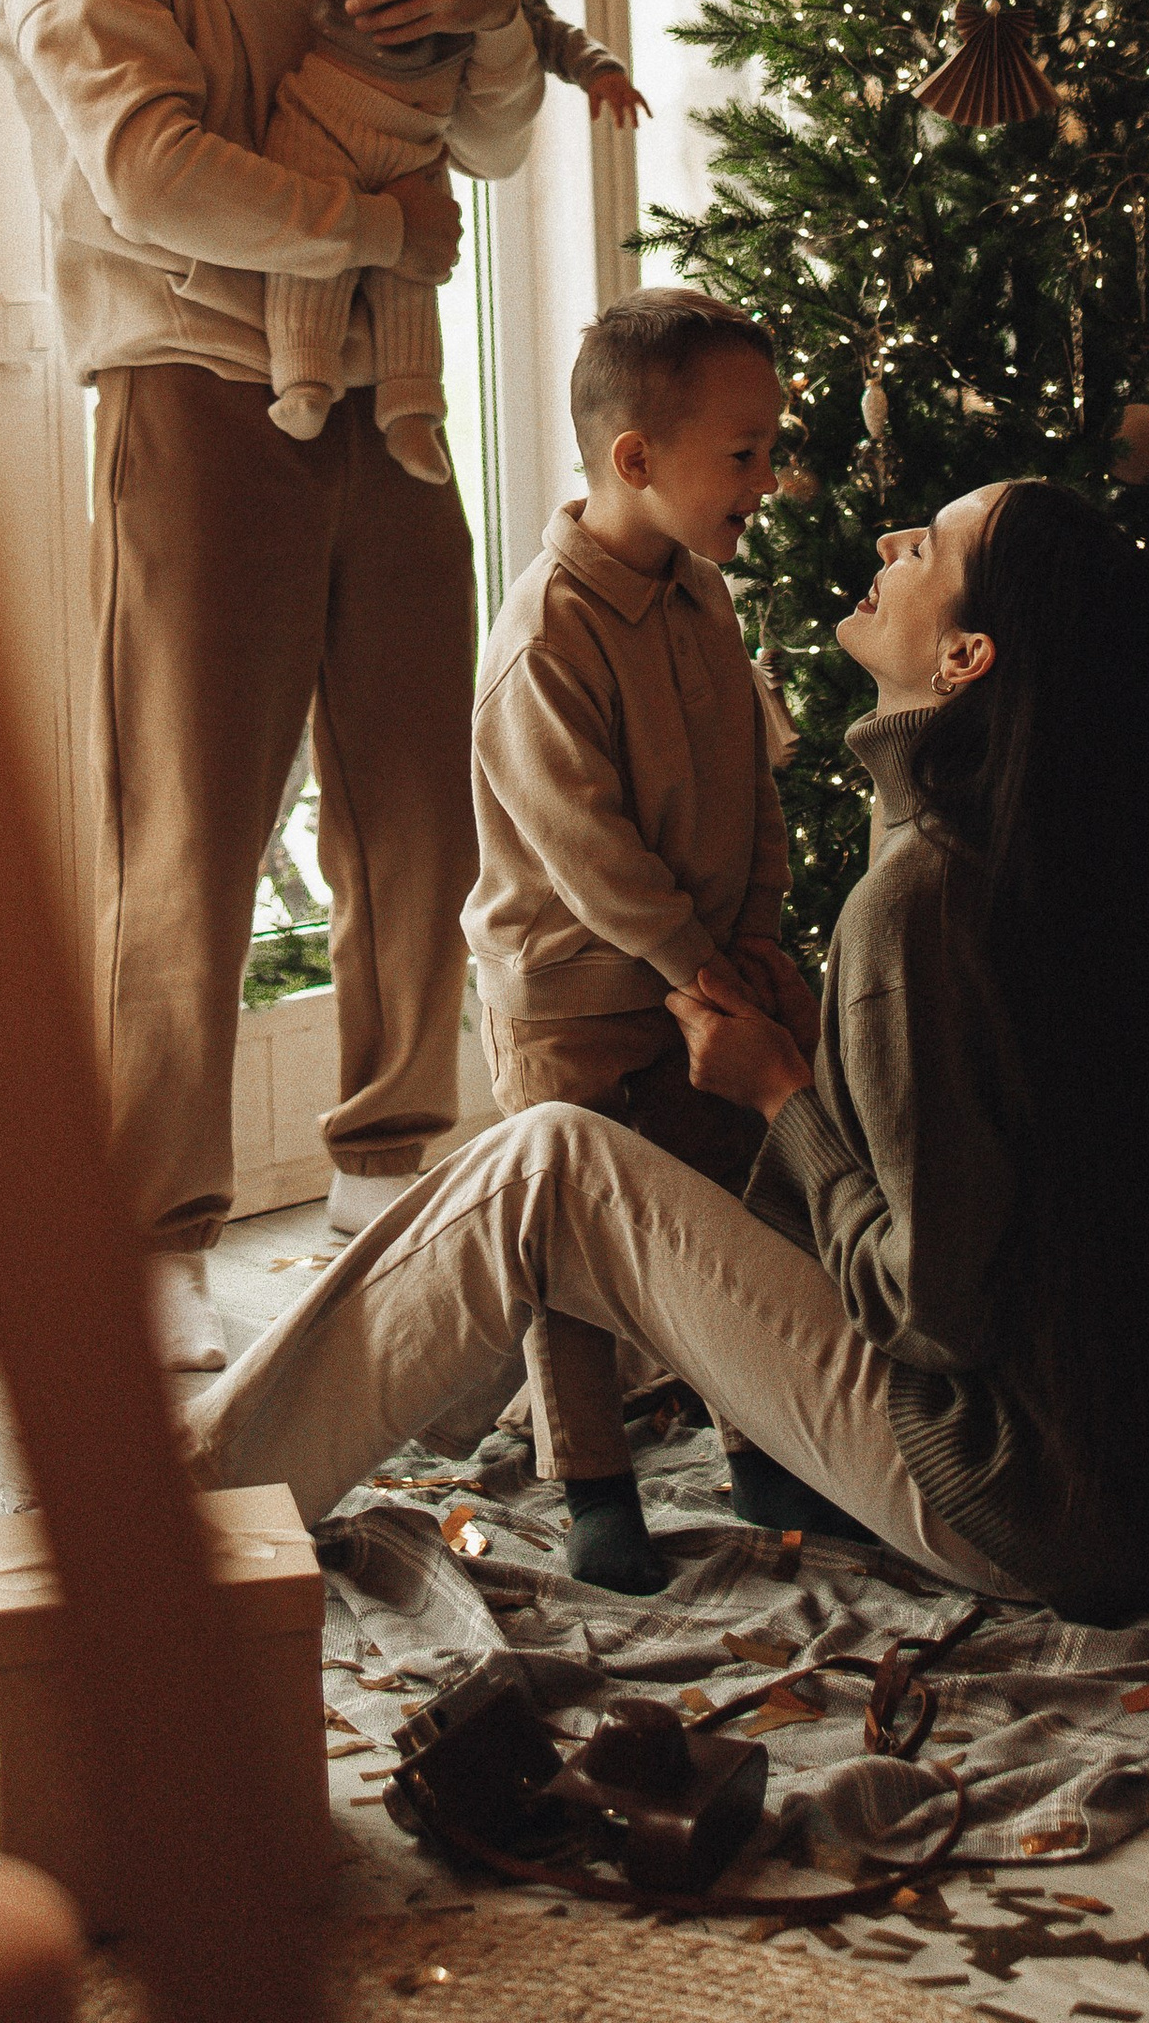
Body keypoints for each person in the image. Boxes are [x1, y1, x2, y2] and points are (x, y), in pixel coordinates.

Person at [192, 475, 1149, 1623]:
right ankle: (254, 1469)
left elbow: (933, 1309)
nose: (894, 538)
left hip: (1004, 1497)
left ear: (965, 661)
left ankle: (176, 1508)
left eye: (934, 546)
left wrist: (780, 1095)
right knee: (560, 1170)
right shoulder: (1056, 857)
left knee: (546, 1162)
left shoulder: (922, 897)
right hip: (1127, 1494)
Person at [0, 0, 545, 1370]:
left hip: (386, 412)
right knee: (187, 836)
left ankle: (392, 1199)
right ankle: (148, 1259)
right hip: (194, 409)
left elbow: (497, 132)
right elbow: (154, 174)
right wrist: (374, 223)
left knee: (412, 815)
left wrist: (487, 7)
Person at [464, 289, 802, 1584]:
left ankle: (761, 1440)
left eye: (770, 446)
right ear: (636, 459)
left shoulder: (704, 597)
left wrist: (757, 932)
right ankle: (593, 1480)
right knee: (574, 1247)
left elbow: (753, 780)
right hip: (576, 997)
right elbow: (589, 852)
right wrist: (694, 967)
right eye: (745, 453)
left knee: (727, 1214)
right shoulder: (544, 636)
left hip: (702, 978)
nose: (768, 478)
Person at [267, 0, 646, 483]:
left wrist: (599, 69)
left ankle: (412, 415)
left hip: (417, 146)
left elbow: (551, 35)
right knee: (313, 260)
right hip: (326, 121)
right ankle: (302, 378)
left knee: (415, 280)